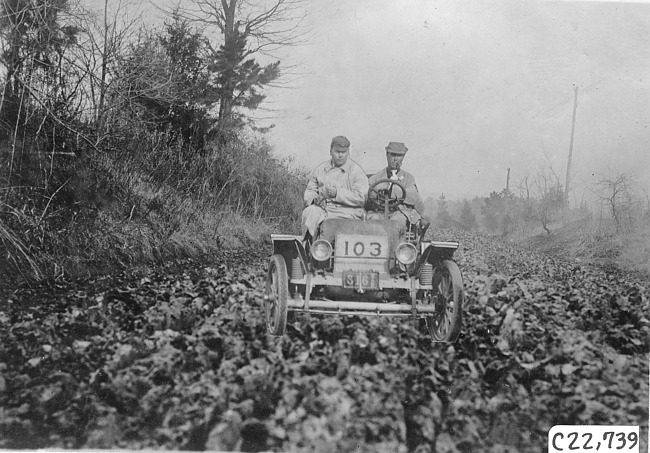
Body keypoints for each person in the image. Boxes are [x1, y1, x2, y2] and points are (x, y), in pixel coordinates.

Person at [301, 136, 369, 241]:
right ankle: (311, 249)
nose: (340, 155)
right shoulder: (321, 169)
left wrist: (338, 193)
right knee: (310, 211)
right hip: (324, 210)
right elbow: (310, 190)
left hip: (348, 212)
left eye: (344, 152)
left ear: (348, 152)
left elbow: (361, 198)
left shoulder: (356, 172)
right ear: (330, 151)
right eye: (337, 152)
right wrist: (314, 199)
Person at [366, 141, 430, 234]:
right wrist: (378, 189)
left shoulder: (408, 178)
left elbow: (415, 199)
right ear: (387, 155)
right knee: (374, 219)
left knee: (397, 220)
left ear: (403, 157)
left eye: (399, 156)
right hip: (378, 212)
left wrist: (394, 188)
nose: (395, 159)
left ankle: (398, 248)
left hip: (400, 212)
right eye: (392, 155)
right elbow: (365, 198)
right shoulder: (376, 178)